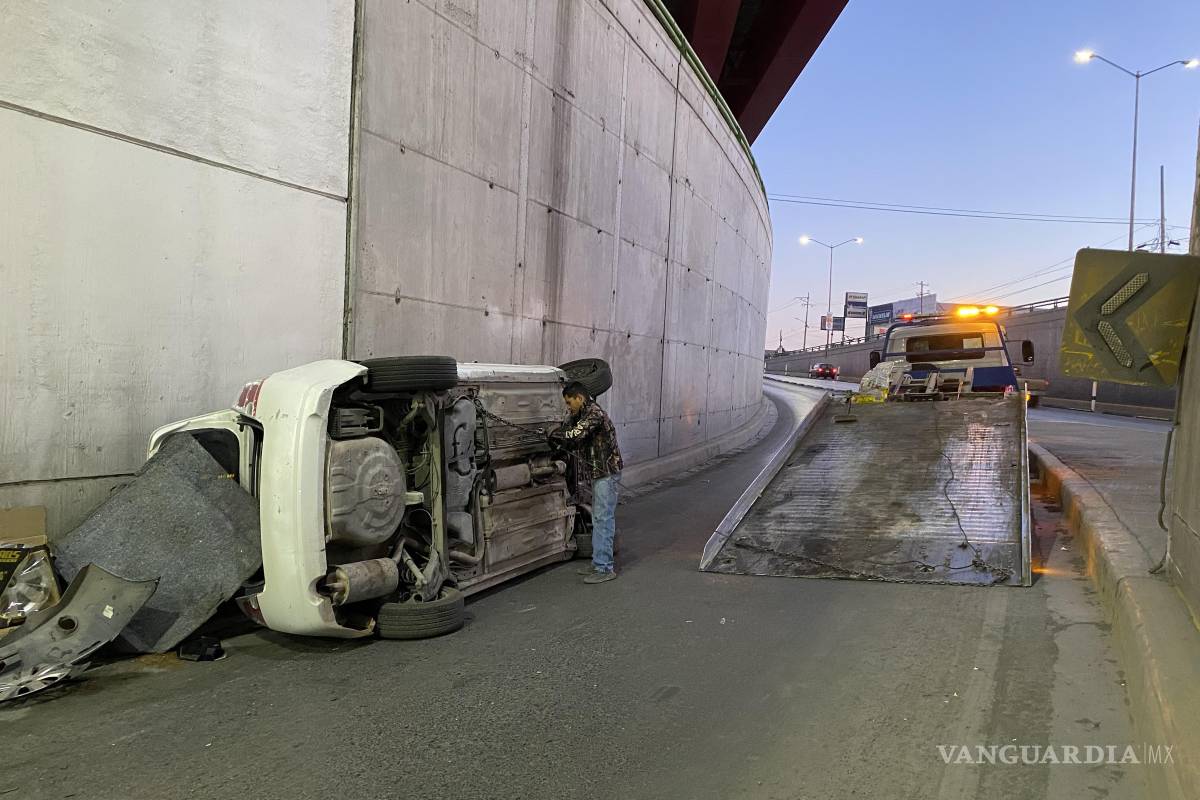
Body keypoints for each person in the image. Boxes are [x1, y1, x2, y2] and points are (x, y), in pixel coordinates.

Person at [550, 382, 623, 584]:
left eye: (569, 402)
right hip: (599, 474)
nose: (568, 407)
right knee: (599, 518)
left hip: (606, 474)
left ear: (579, 398)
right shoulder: (581, 414)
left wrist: (553, 433)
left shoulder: (594, 414)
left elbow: (576, 434)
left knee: (602, 519)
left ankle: (604, 568)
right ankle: (599, 562)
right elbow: (569, 430)